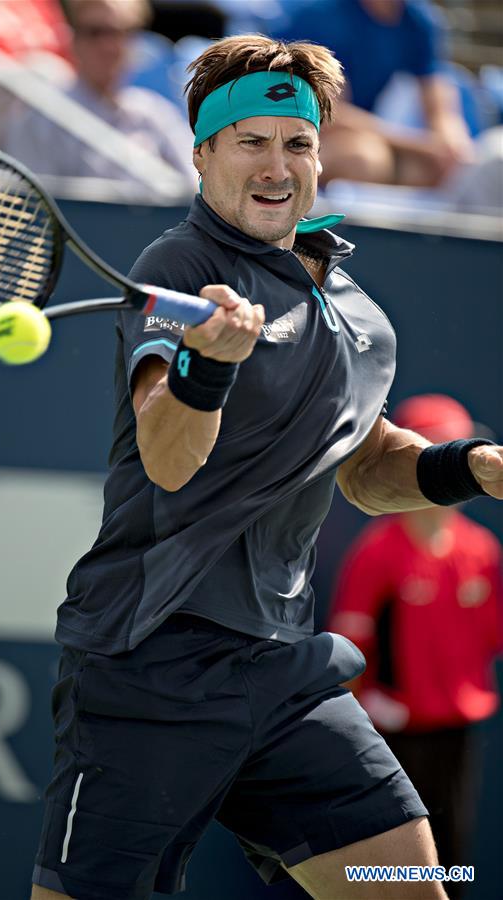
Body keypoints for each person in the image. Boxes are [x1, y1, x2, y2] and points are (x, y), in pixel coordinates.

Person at [30, 34, 503, 900]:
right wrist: (208, 366)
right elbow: (167, 460)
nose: (276, 165)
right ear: (203, 153)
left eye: (296, 142)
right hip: (151, 668)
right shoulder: (178, 269)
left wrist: (474, 467)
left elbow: (364, 468)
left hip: (285, 678)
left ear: (320, 154)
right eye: (249, 140)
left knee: (404, 885)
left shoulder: (357, 313)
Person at [328, 395, 503, 898]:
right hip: (390, 736)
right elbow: (350, 648)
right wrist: (371, 706)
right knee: (394, 864)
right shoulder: (376, 554)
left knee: (452, 860)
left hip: (457, 729)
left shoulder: (481, 551)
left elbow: (488, 638)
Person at [275, 0, 475, 188]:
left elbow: (440, 106)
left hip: (371, 136)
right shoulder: (320, 16)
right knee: (364, 160)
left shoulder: (419, 20)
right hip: (296, 137)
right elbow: (327, 116)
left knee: (439, 169)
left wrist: (451, 144)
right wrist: (422, 145)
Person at [3, 0, 196, 192]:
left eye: (121, 32)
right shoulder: (40, 117)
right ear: (73, 38)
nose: (108, 46)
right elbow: (34, 202)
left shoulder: (154, 113)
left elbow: (196, 184)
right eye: (95, 32)